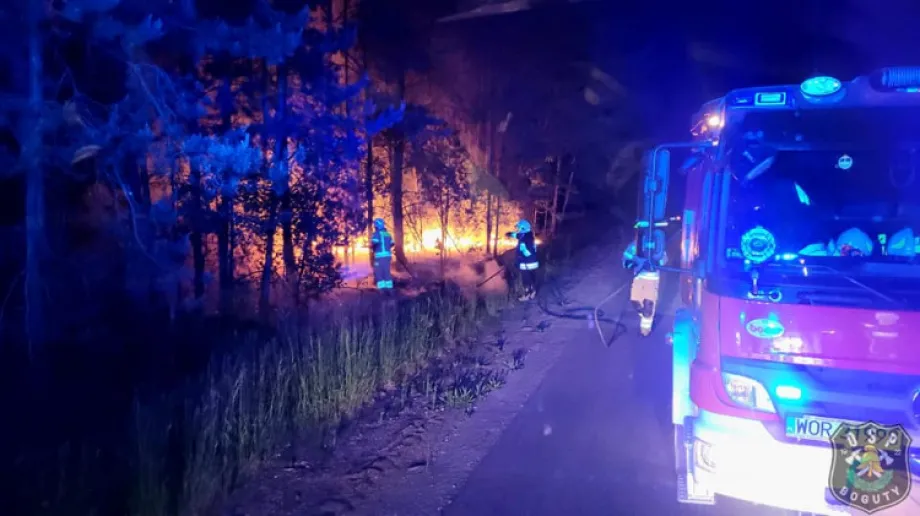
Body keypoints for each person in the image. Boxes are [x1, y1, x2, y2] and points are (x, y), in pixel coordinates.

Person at [506, 219, 539, 301]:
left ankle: (527, 295)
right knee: (531, 278)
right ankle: (533, 292)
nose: (518, 229)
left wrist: (519, 258)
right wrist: (511, 234)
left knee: (526, 280)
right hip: (532, 263)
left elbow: (526, 252)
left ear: (523, 228)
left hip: (526, 264)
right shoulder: (528, 235)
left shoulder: (524, 239)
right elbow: (518, 235)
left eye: (519, 228)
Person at [370, 218, 395, 290]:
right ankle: (390, 290)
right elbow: (392, 243)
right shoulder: (387, 234)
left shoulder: (376, 234)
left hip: (379, 257)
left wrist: (370, 246)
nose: (374, 227)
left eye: (375, 225)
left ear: (377, 226)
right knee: (387, 272)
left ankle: (382, 290)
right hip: (387, 257)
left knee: (378, 272)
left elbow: (374, 243)